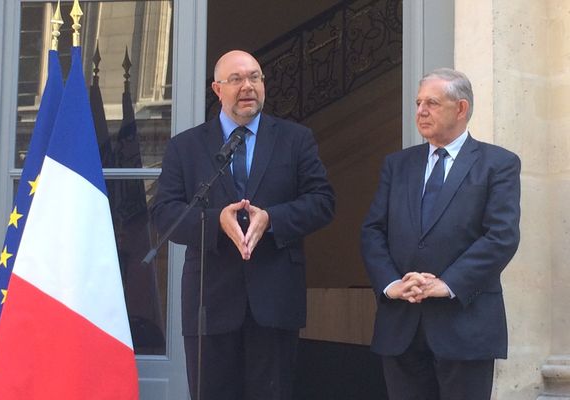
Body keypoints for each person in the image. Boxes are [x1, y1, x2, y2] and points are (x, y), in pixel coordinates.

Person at [151, 50, 335, 400]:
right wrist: (215, 221)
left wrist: (273, 219)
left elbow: (323, 202)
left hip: (275, 299)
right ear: (217, 89)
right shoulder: (186, 146)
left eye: (255, 77)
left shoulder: (295, 139)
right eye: (236, 79)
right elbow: (165, 214)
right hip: (210, 301)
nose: (247, 86)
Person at [360, 68, 521, 400]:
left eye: (431, 103)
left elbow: (501, 236)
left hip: (465, 323)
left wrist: (446, 284)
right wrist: (392, 284)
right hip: (401, 323)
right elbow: (373, 230)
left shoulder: (498, 164)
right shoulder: (397, 164)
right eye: (419, 103)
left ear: (461, 109)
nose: (420, 111)